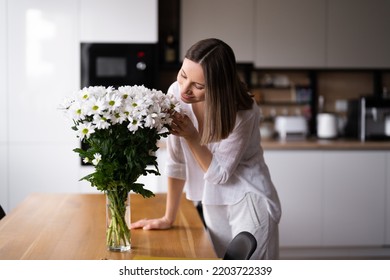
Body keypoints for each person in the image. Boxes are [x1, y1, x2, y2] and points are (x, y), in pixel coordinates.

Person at [131, 38, 281, 259]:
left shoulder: (242, 112)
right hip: (212, 199)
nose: (185, 90)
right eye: (183, 75)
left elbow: (220, 174)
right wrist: (168, 218)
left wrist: (192, 135)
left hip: (249, 199)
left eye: (198, 86)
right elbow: (176, 161)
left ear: (219, 87)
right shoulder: (176, 94)